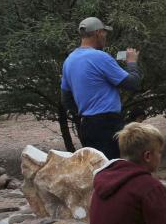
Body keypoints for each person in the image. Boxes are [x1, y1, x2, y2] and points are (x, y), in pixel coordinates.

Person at [60, 17, 142, 159]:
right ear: (98, 33)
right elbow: (133, 83)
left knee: (98, 170)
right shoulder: (100, 57)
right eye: (104, 33)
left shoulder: (69, 60)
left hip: (86, 126)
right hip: (108, 125)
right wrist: (132, 62)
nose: (105, 37)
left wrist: (86, 111)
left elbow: (66, 99)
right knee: (115, 169)